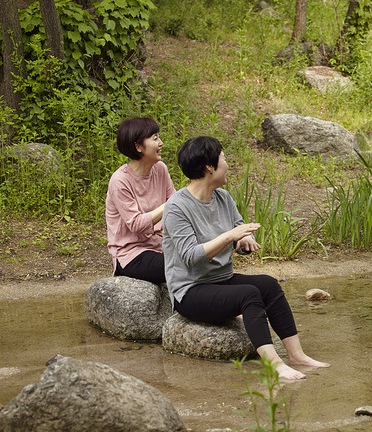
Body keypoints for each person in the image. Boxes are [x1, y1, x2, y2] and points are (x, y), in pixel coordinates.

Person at [162, 136, 328, 381]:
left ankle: (297, 356)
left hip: (221, 280)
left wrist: (243, 242)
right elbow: (190, 257)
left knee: (269, 285)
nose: (228, 164)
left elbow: (239, 230)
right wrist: (230, 236)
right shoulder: (176, 207)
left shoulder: (223, 198)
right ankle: (275, 365)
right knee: (248, 294)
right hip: (191, 292)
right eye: (224, 158)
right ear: (209, 167)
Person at [105, 117, 176, 284]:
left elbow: (176, 207)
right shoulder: (120, 181)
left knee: (200, 260)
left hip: (160, 247)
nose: (161, 143)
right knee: (183, 267)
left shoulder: (160, 169)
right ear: (138, 146)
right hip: (131, 255)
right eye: (155, 138)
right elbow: (136, 225)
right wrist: (171, 204)